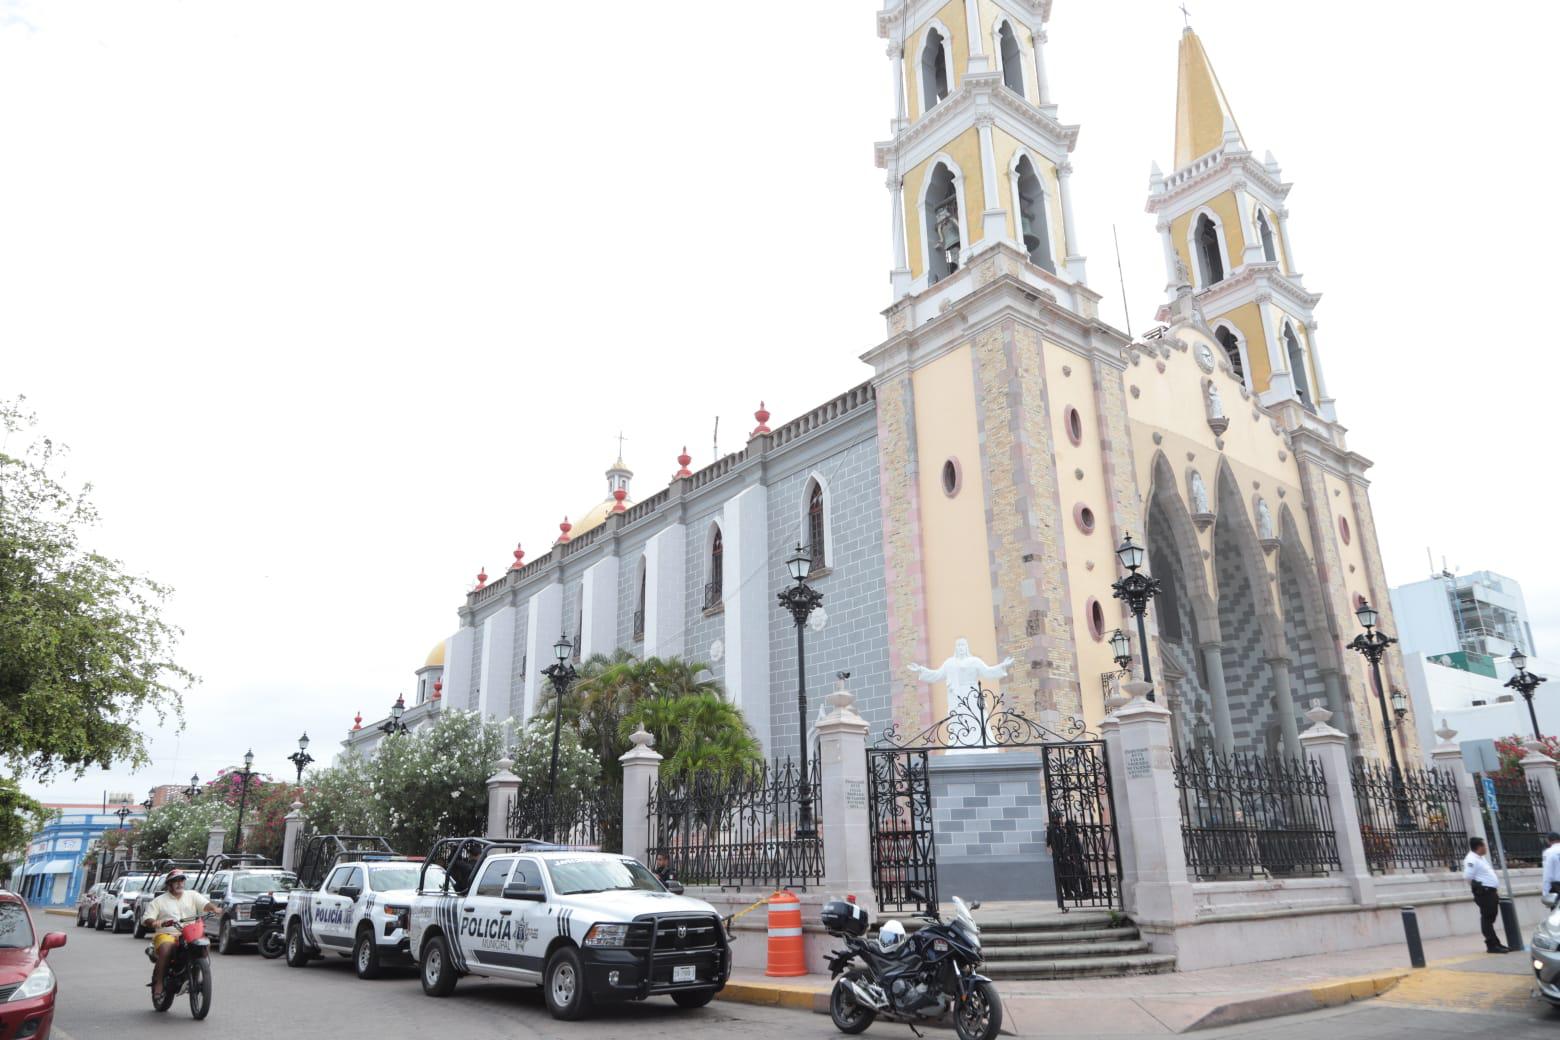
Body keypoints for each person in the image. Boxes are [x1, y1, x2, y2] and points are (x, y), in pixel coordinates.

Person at [142, 869, 218, 1000]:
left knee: (205, 944)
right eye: (175, 881)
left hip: (190, 932)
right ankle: (159, 983)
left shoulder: (192, 895)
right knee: (167, 948)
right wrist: (155, 923)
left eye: (181, 880)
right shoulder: (159, 901)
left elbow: (206, 905)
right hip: (168, 933)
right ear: (169, 884)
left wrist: (215, 909)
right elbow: (147, 919)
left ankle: (196, 974)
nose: (179, 883)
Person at [1462, 837, 1507, 953]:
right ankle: (1492, 945)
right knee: (1487, 918)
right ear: (1479, 847)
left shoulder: (1480, 858)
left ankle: (1495, 943)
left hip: (1490, 892)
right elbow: (1468, 876)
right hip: (1484, 893)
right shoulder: (1471, 859)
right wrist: (1478, 887)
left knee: (1491, 916)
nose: (1486, 848)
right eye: (1484, 846)